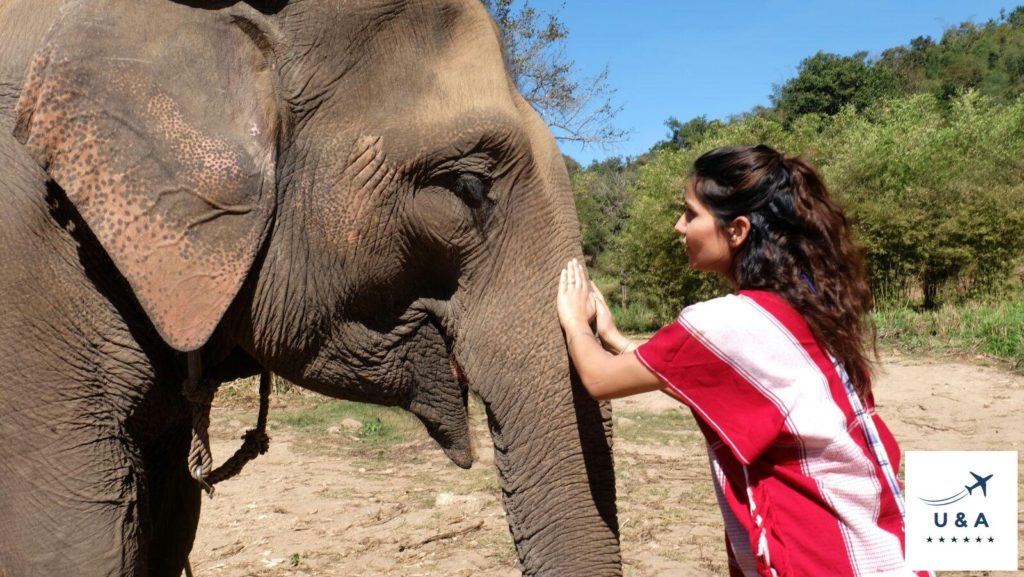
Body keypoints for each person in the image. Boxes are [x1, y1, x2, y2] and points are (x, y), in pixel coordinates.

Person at [557, 145, 930, 577]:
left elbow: (599, 380)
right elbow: (723, 391)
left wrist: (575, 323)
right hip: (881, 549)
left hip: (819, 558)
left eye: (691, 214)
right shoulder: (803, 310)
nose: (679, 226)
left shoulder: (728, 321)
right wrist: (615, 338)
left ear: (736, 230)